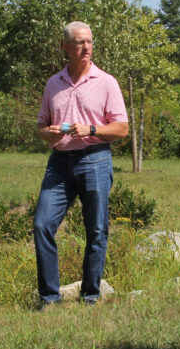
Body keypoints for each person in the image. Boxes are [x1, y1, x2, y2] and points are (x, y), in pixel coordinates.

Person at [33, 22, 129, 307]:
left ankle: (90, 296)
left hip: (95, 158)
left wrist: (92, 130)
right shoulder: (54, 83)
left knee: (96, 230)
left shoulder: (106, 82)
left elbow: (122, 129)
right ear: (66, 48)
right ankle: (50, 298)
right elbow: (40, 125)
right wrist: (46, 132)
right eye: (79, 43)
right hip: (59, 163)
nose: (86, 47)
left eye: (89, 42)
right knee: (42, 225)